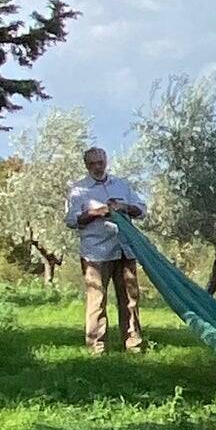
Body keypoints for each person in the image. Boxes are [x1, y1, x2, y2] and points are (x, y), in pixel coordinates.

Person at [64, 146, 146, 354]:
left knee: (129, 298)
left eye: (100, 162)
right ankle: (97, 346)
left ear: (106, 161)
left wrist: (124, 207)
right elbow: (72, 220)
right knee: (97, 299)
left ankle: (133, 343)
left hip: (124, 248)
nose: (97, 167)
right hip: (95, 252)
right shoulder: (79, 190)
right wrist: (95, 212)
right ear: (86, 165)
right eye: (92, 164)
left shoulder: (121, 185)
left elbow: (141, 210)